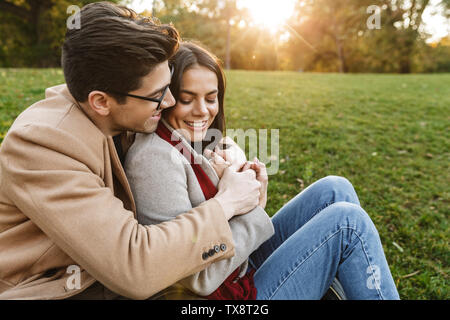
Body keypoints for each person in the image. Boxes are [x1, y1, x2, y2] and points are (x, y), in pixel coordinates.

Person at [0, 2, 262, 300]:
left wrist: (231, 154)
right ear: (101, 102)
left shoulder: (114, 101)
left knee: (329, 193)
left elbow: (193, 132)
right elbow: (135, 267)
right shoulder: (42, 147)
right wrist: (229, 202)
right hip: (60, 292)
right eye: (157, 95)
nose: (168, 102)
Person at [125, 41, 400, 300]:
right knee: (348, 224)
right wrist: (252, 205)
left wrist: (242, 180)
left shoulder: (192, 142)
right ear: (168, 97)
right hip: (221, 294)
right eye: (188, 99)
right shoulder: (153, 160)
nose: (202, 111)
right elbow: (197, 279)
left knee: (335, 189)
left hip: (239, 267)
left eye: (211, 98)